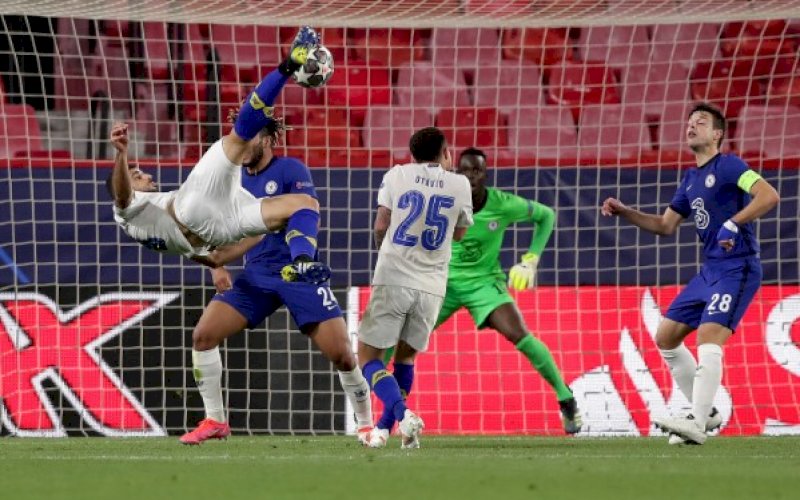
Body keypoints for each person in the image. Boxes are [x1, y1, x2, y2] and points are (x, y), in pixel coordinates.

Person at [178, 116, 373, 445]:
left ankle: (367, 423)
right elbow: (215, 227)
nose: (240, 144)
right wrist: (216, 266)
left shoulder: (291, 170)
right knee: (203, 335)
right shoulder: (231, 179)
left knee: (341, 355)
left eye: (250, 136)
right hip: (257, 275)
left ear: (268, 140)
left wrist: (299, 258)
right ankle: (215, 420)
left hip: (297, 272)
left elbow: (303, 216)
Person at [370, 147, 581, 448]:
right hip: (441, 283)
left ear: (485, 173)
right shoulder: (444, 199)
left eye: (476, 171)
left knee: (519, 333)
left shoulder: (503, 204)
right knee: (398, 344)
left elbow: (546, 216)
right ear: (456, 171)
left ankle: (566, 399)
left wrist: (530, 259)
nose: (470, 176)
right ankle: (382, 421)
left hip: (484, 284)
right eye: (465, 170)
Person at [601, 103, 780, 445]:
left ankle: (696, 423)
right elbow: (665, 225)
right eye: (689, 122)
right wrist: (625, 212)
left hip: (737, 266)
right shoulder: (690, 178)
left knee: (708, 339)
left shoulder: (730, 165)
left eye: (701, 122)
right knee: (666, 337)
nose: (691, 126)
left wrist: (733, 222)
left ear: (717, 134)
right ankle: (707, 411)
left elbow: (768, 195)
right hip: (708, 271)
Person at [108, 26, 329, 283]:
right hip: (192, 206)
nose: (144, 173)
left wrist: (223, 262)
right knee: (239, 137)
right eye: (136, 175)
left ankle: (301, 263)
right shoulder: (126, 211)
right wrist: (121, 154)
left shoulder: (149, 223)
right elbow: (122, 194)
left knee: (304, 204)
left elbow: (212, 257)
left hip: (217, 230)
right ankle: (289, 65)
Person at [358, 127, 473, 449]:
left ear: (412, 154)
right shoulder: (460, 184)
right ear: (445, 152)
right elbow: (460, 234)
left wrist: (387, 255)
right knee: (405, 359)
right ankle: (385, 430)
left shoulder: (397, 175)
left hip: (394, 276)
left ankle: (403, 414)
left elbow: (381, 224)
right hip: (432, 286)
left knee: (367, 357)